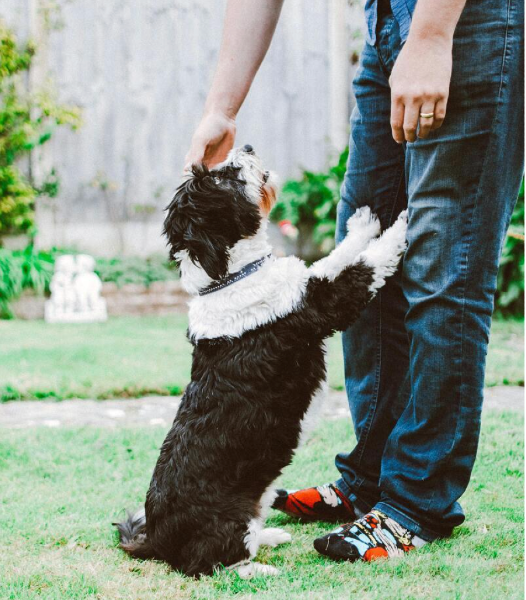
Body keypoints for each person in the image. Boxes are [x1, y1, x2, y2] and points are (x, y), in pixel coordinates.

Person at [184, 0, 524, 562]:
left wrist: (433, 35)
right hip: (385, 25)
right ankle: (369, 479)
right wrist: (221, 106)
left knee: (444, 267)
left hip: (468, 23)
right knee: (359, 255)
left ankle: (417, 501)